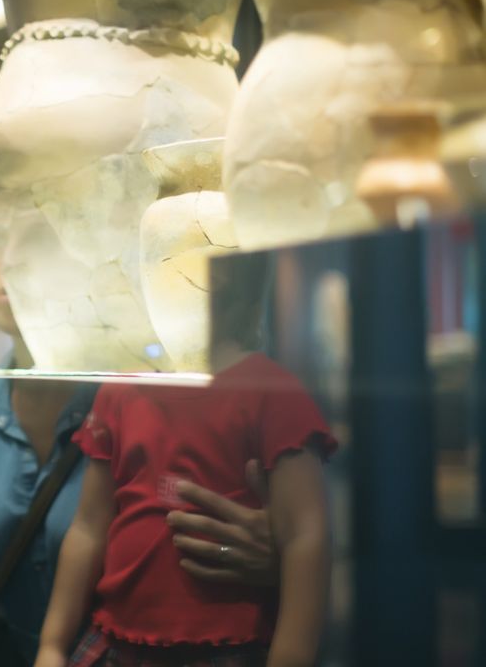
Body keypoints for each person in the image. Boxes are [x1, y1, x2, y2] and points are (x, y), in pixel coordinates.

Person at [0, 223, 283, 664]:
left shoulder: (149, 396)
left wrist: (277, 559)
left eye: (38, 238)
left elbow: (263, 540)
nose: (10, 261)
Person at [34, 253, 337, 667]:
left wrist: (290, 655)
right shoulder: (124, 386)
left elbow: (306, 535)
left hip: (228, 647)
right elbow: (89, 526)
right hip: (117, 641)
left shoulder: (271, 392)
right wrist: (52, 644)